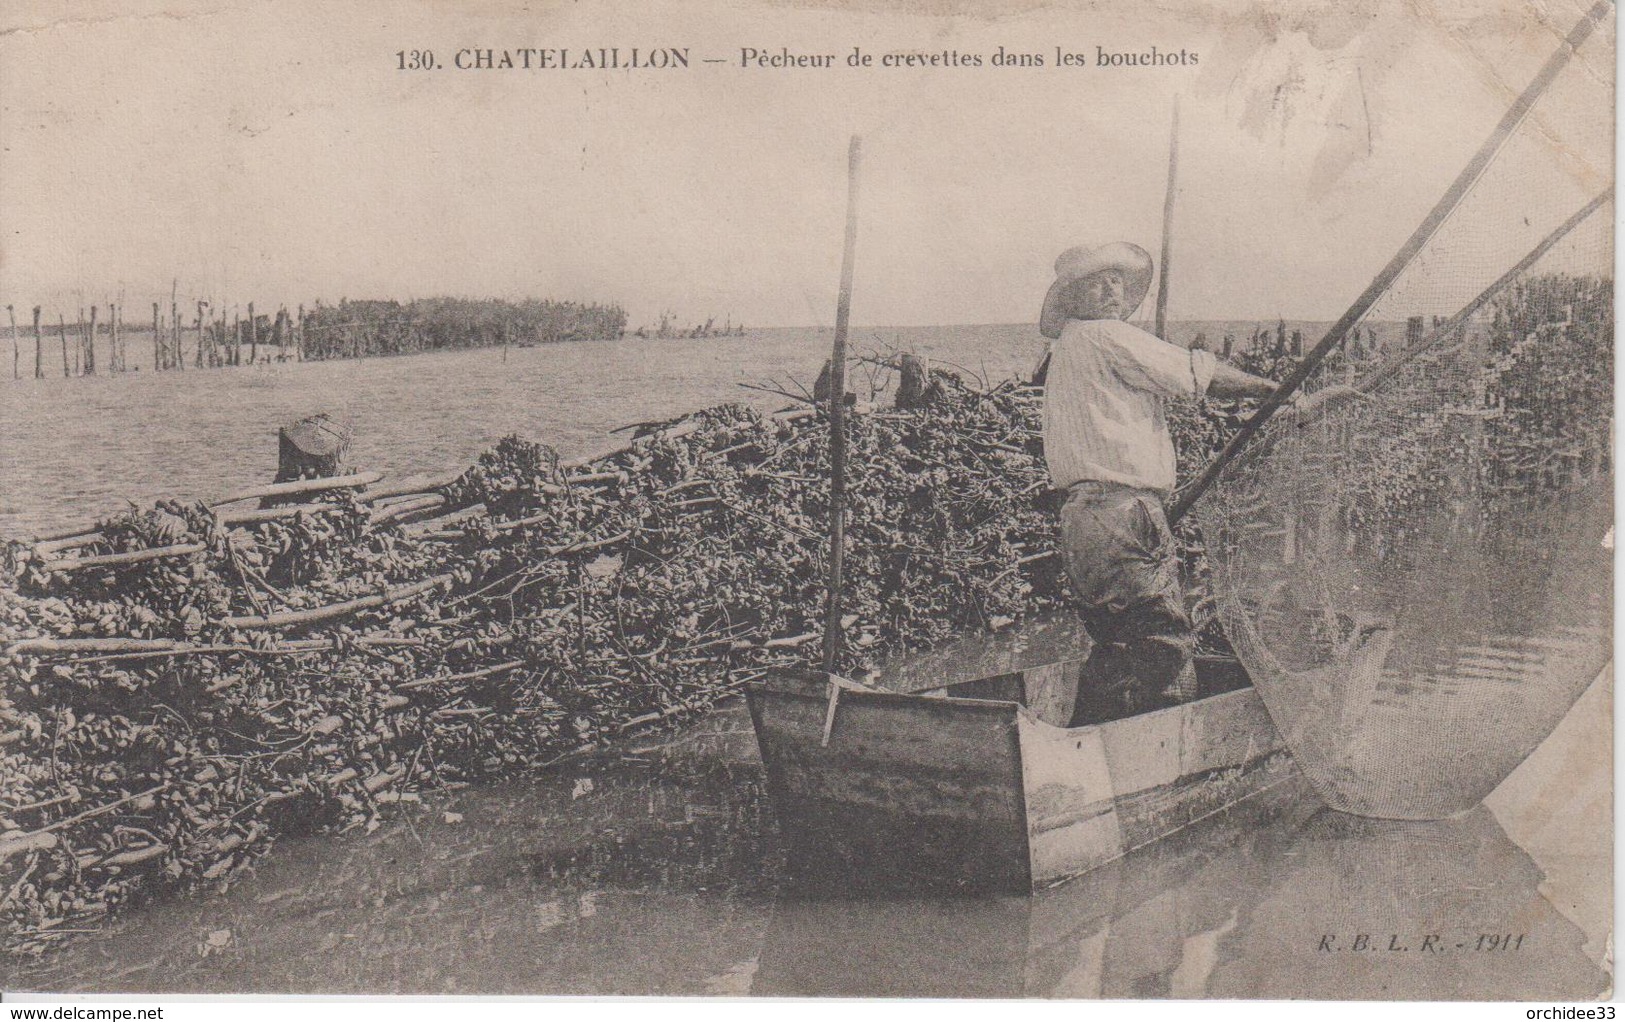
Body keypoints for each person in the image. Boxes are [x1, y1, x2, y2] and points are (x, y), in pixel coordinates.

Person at [1037, 242, 1353, 724]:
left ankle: (1082, 737)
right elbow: (1197, 374)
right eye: (1095, 281)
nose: (1110, 289)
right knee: (1164, 640)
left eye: (1117, 279)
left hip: (1084, 518)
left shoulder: (1071, 347)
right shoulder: (1104, 335)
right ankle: (1161, 743)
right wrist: (1282, 393)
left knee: (1120, 639)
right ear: (1073, 297)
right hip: (1121, 513)